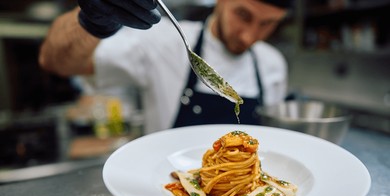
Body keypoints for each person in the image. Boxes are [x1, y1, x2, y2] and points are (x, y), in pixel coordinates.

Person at [39, 0, 292, 134]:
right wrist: (92, 20)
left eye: (267, 24)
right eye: (243, 15)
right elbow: (56, 61)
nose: (249, 36)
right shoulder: (161, 42)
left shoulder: (273, 64)